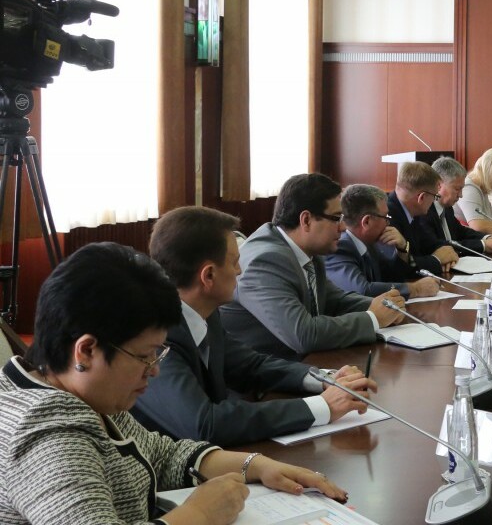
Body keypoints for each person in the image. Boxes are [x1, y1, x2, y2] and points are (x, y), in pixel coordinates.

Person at [0, 242, 347, 524]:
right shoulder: (45, 432)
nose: (153, 371)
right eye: (144, 356)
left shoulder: (84, 395)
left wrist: (257, 465)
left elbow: (160, 454)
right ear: (87, 350)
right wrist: (200, 515)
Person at [133, 206, 376, 446]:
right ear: (208, 276)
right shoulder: (154, 335)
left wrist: (326, 379)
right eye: (234, 262)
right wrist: (323, 406)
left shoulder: (203, 312)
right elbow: (205, 424)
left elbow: (251, 366)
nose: (240, 271)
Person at [220, 173, 406, 360]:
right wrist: (374, 318)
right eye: (336, 218)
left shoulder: (307, 251)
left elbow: (334, 301)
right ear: (306, 220)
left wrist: (386, 307)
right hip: (266, 372)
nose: (343, 227)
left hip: (303, 362)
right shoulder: (264, 261)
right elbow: (304, 335)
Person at [326, 185, 441, 299]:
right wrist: (416, 289)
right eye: (386, 217)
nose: (388, 223)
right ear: (366, 222)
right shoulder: (341, 246)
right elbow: (362, 290)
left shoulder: (369, 243)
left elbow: (393, 276)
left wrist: (403, 248)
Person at [427, 157, 492, 256]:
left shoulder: (447, 208)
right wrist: (483, 245)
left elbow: (461, 231)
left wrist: (486, 238)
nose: (461, 195)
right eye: (457, 189)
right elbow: (440, 246)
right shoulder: (425, 211)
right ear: (438, 185)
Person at [387, 161, 460, 275]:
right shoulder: (386, 217)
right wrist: (437, 260)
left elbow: (428, 243)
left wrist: (448, 251)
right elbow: (399, 267)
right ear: (421, 197)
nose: (434, 201)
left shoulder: (412, 210)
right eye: (435, 196)